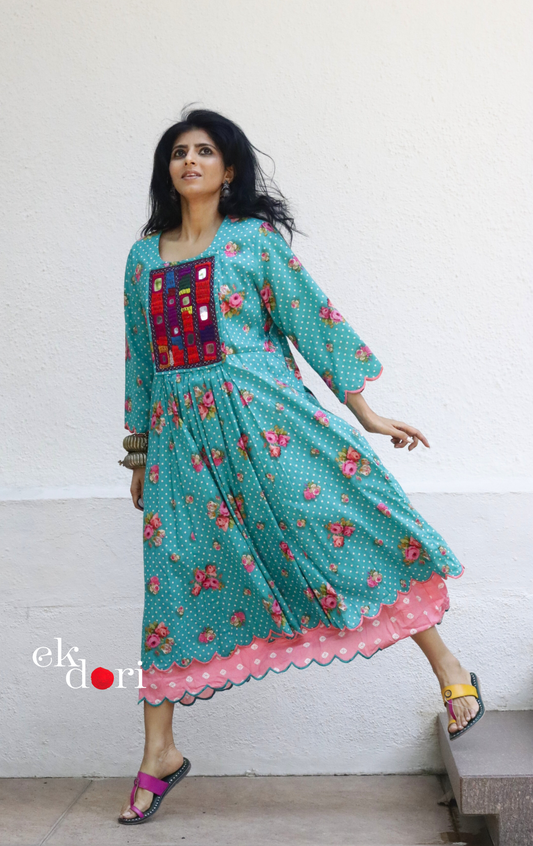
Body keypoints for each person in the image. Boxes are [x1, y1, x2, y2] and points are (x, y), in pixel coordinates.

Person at [118, 108, 483, 824]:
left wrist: (365, 413)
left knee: (344, 536)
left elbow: (312, 320)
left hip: (269, 426)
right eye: (179, 152)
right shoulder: (141, 259)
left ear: (229, 170)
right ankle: (158, 751)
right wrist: (139, 453)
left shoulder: (253, 242)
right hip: (183, 447)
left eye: (205, 151)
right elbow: (140, 356)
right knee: (174, 580)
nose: (190, 161)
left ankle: (449, 668)